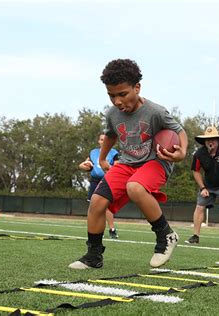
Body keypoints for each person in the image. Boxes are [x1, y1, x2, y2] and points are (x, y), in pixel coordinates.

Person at [69, 58, 188, 269]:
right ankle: (93, 256)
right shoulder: (112, 114)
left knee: (135, 187)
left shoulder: (155, 111)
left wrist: (181, 154)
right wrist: (103, 158)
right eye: (111, 95)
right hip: (127, 163)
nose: (117, 101)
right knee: (97, 201)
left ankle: (166, 236)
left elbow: (179, 131)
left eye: (122, 94)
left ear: (137, 87)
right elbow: (110, 136)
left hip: (154, 162)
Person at [185, 126, 219, 248]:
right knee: (199, 207)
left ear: (218, 140)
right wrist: (202, 188)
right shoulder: (199, 153)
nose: (210, 142)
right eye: (208, 139)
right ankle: (195, 236)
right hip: (208, 186)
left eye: (213, 139)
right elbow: (195, 171)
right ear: (204, 141)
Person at [79, 133, 120, 239]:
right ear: (99, 141)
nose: (103, 141)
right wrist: (85, 166)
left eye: (105, 140)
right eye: (101, 140)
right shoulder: (93, 152)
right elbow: (83, 165)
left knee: (105, 207)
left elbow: (117, 169)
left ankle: (112, 229)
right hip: (94, 181)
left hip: (107, 181)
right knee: (93, 207)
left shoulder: (114, 153)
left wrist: (107, 167)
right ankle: (94, 231)